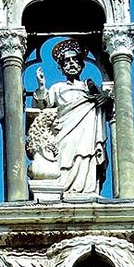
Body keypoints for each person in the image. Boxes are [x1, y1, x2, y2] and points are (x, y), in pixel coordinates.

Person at [33, 39, 110, 196]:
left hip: (88, 129)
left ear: (81, 65)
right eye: (67, 62)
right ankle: (64, 187)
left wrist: (101, 97)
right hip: (65, 131)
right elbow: (43, 106)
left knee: (86, 155)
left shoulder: (88, 87)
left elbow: (106, 105)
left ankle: (86, 189)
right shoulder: (58, 88)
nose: (72, 64)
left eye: (75, 60)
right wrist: (41, 87)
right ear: (62, 68)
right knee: (66, 157)